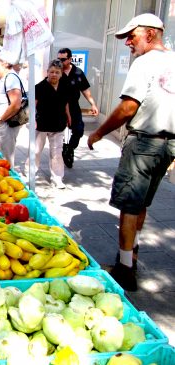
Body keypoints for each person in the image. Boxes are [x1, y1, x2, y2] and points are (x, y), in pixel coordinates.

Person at [87, 13, 175, 291]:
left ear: (150, 34)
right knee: (142, 204)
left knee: (129, 206)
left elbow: (128, 107)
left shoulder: (145, 62)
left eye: (131, 36)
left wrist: (99, 133)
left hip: (144, 143)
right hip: (168, 144)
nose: (127, 42)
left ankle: (125, 269)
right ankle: (131, 252)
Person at [29, 59, 72, 189]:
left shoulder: (64, 87)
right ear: (47, 72)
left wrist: (69, 117)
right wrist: (33, 120)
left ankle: (57, 178)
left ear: (61, 74)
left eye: (57, 72)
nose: (54, 74)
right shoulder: (39, 87)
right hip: (41, 124)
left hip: (58, 125)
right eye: (51, 72)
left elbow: (66, 104)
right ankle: (30, 174)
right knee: (35, 151)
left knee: (57, 153)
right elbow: (33, 106)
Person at [57, 47, 99, 168]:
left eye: (63, 59)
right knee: (57, 132)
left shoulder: (77, 72)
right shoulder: (56, 71)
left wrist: (92, 104)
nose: (60, 61)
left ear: (70, 59)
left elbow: (85, 90)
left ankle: (69, 149)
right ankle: (60, 150)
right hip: (59, 106)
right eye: (58, 59)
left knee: (79, 130)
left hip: (73, 106)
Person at [0, 51, 24, 167]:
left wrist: (0, 119)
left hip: (5, 124)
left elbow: (16, 104)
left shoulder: (11, 78)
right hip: (0, 123)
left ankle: (6, 179)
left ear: (5, 63)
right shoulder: (1, 78)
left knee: (5, 157)